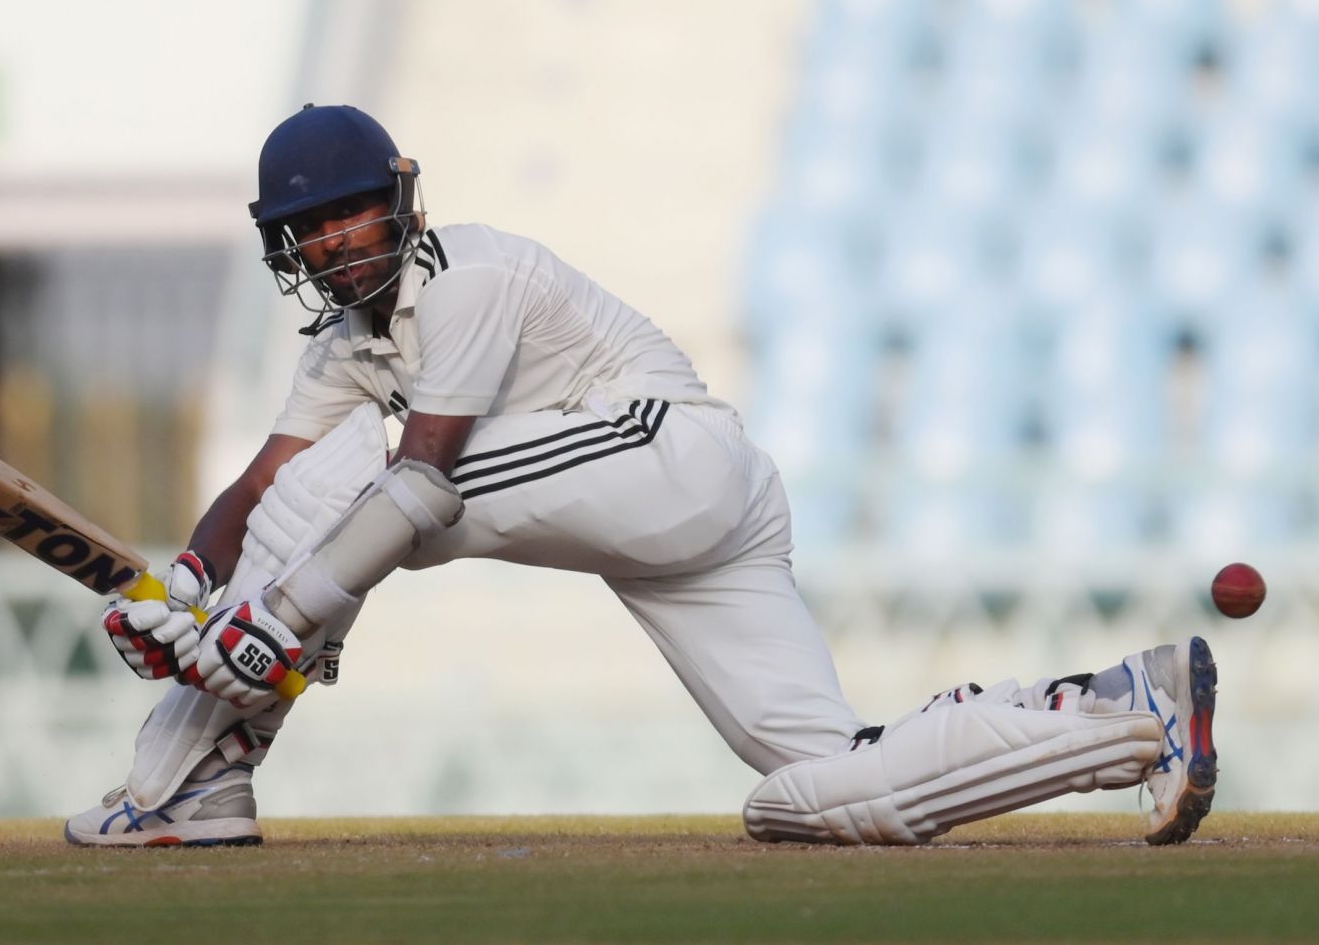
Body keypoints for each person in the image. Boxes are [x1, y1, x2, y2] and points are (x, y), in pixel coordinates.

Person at [67, 104, 1217, 848]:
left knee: (362, 484)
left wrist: (272, 621)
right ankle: (1122, 715)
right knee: (818, 791)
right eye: (309, 232)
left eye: (350, 214)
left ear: (402, 197)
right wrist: (180, 587)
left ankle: (191, 779)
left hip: (669, 454)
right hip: (690, 524)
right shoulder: (341, 346)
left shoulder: (469, 274)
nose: (335, 245)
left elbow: (419, 487)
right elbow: (257, 486)